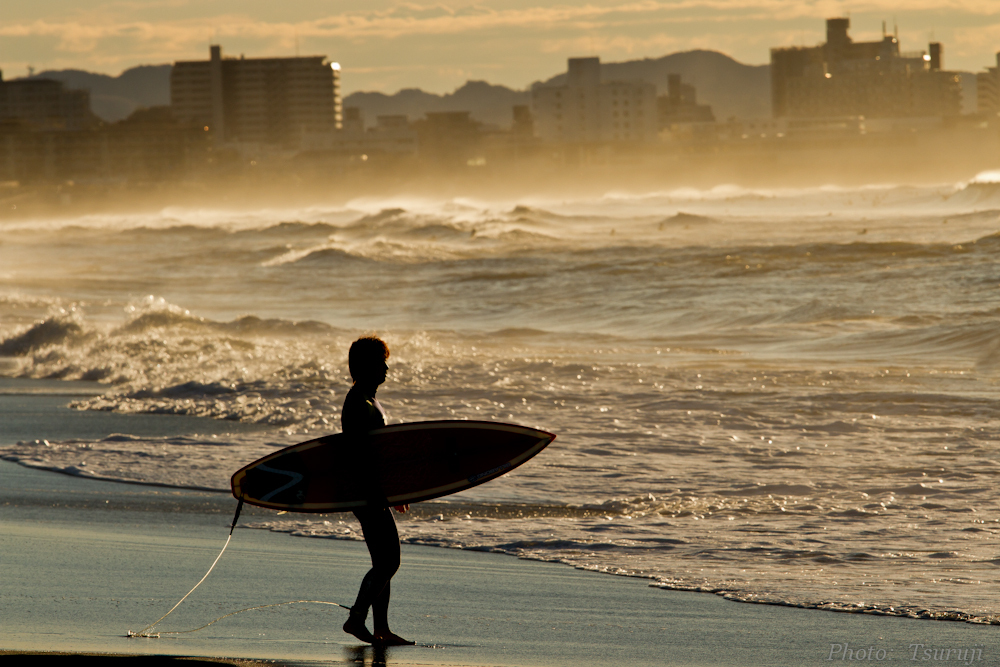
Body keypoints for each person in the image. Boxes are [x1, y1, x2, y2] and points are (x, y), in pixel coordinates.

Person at [340, 335, 414, 646]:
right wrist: (386, 491)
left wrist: (392, 488)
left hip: (369, 490)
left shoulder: (367, 398)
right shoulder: (359, 402)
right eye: (380, 363)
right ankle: (357, 618)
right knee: (389, 562)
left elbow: (378, 452)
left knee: (383, 562)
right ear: (364, 366)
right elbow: (361, 456)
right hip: (367, 491)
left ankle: (381, 628)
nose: (386, 369)